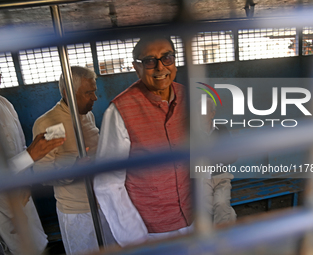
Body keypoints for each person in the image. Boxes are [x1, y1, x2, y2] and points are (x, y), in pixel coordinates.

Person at [94, 36, 193, 247]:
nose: (160, 67)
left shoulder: (189, 97)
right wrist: (134, 238)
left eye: (167, 57)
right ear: (136, 68)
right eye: (149, 61)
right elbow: (108, 182)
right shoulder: (120, 111)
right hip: (151, 231)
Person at [32, 66, 114, 255]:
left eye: (95, 91)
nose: (95, 98)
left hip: (104, 204)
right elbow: (45, 175)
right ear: (66, 93)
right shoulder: (52, 124)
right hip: (79, 213)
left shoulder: (87, 115)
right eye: (88, 93)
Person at [0, 95, 65, 255]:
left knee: (37, 244)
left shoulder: (5, 104)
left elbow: (21, 146)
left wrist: (27, 182)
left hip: (20, 193)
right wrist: (30, 155)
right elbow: (26, 154)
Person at [200, 98, 237, 225]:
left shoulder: (221, 130)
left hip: (222, 176)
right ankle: (224, 238)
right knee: (226, 211)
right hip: (201, 179)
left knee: (221, 203)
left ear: (212, 114)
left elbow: (233, 155)